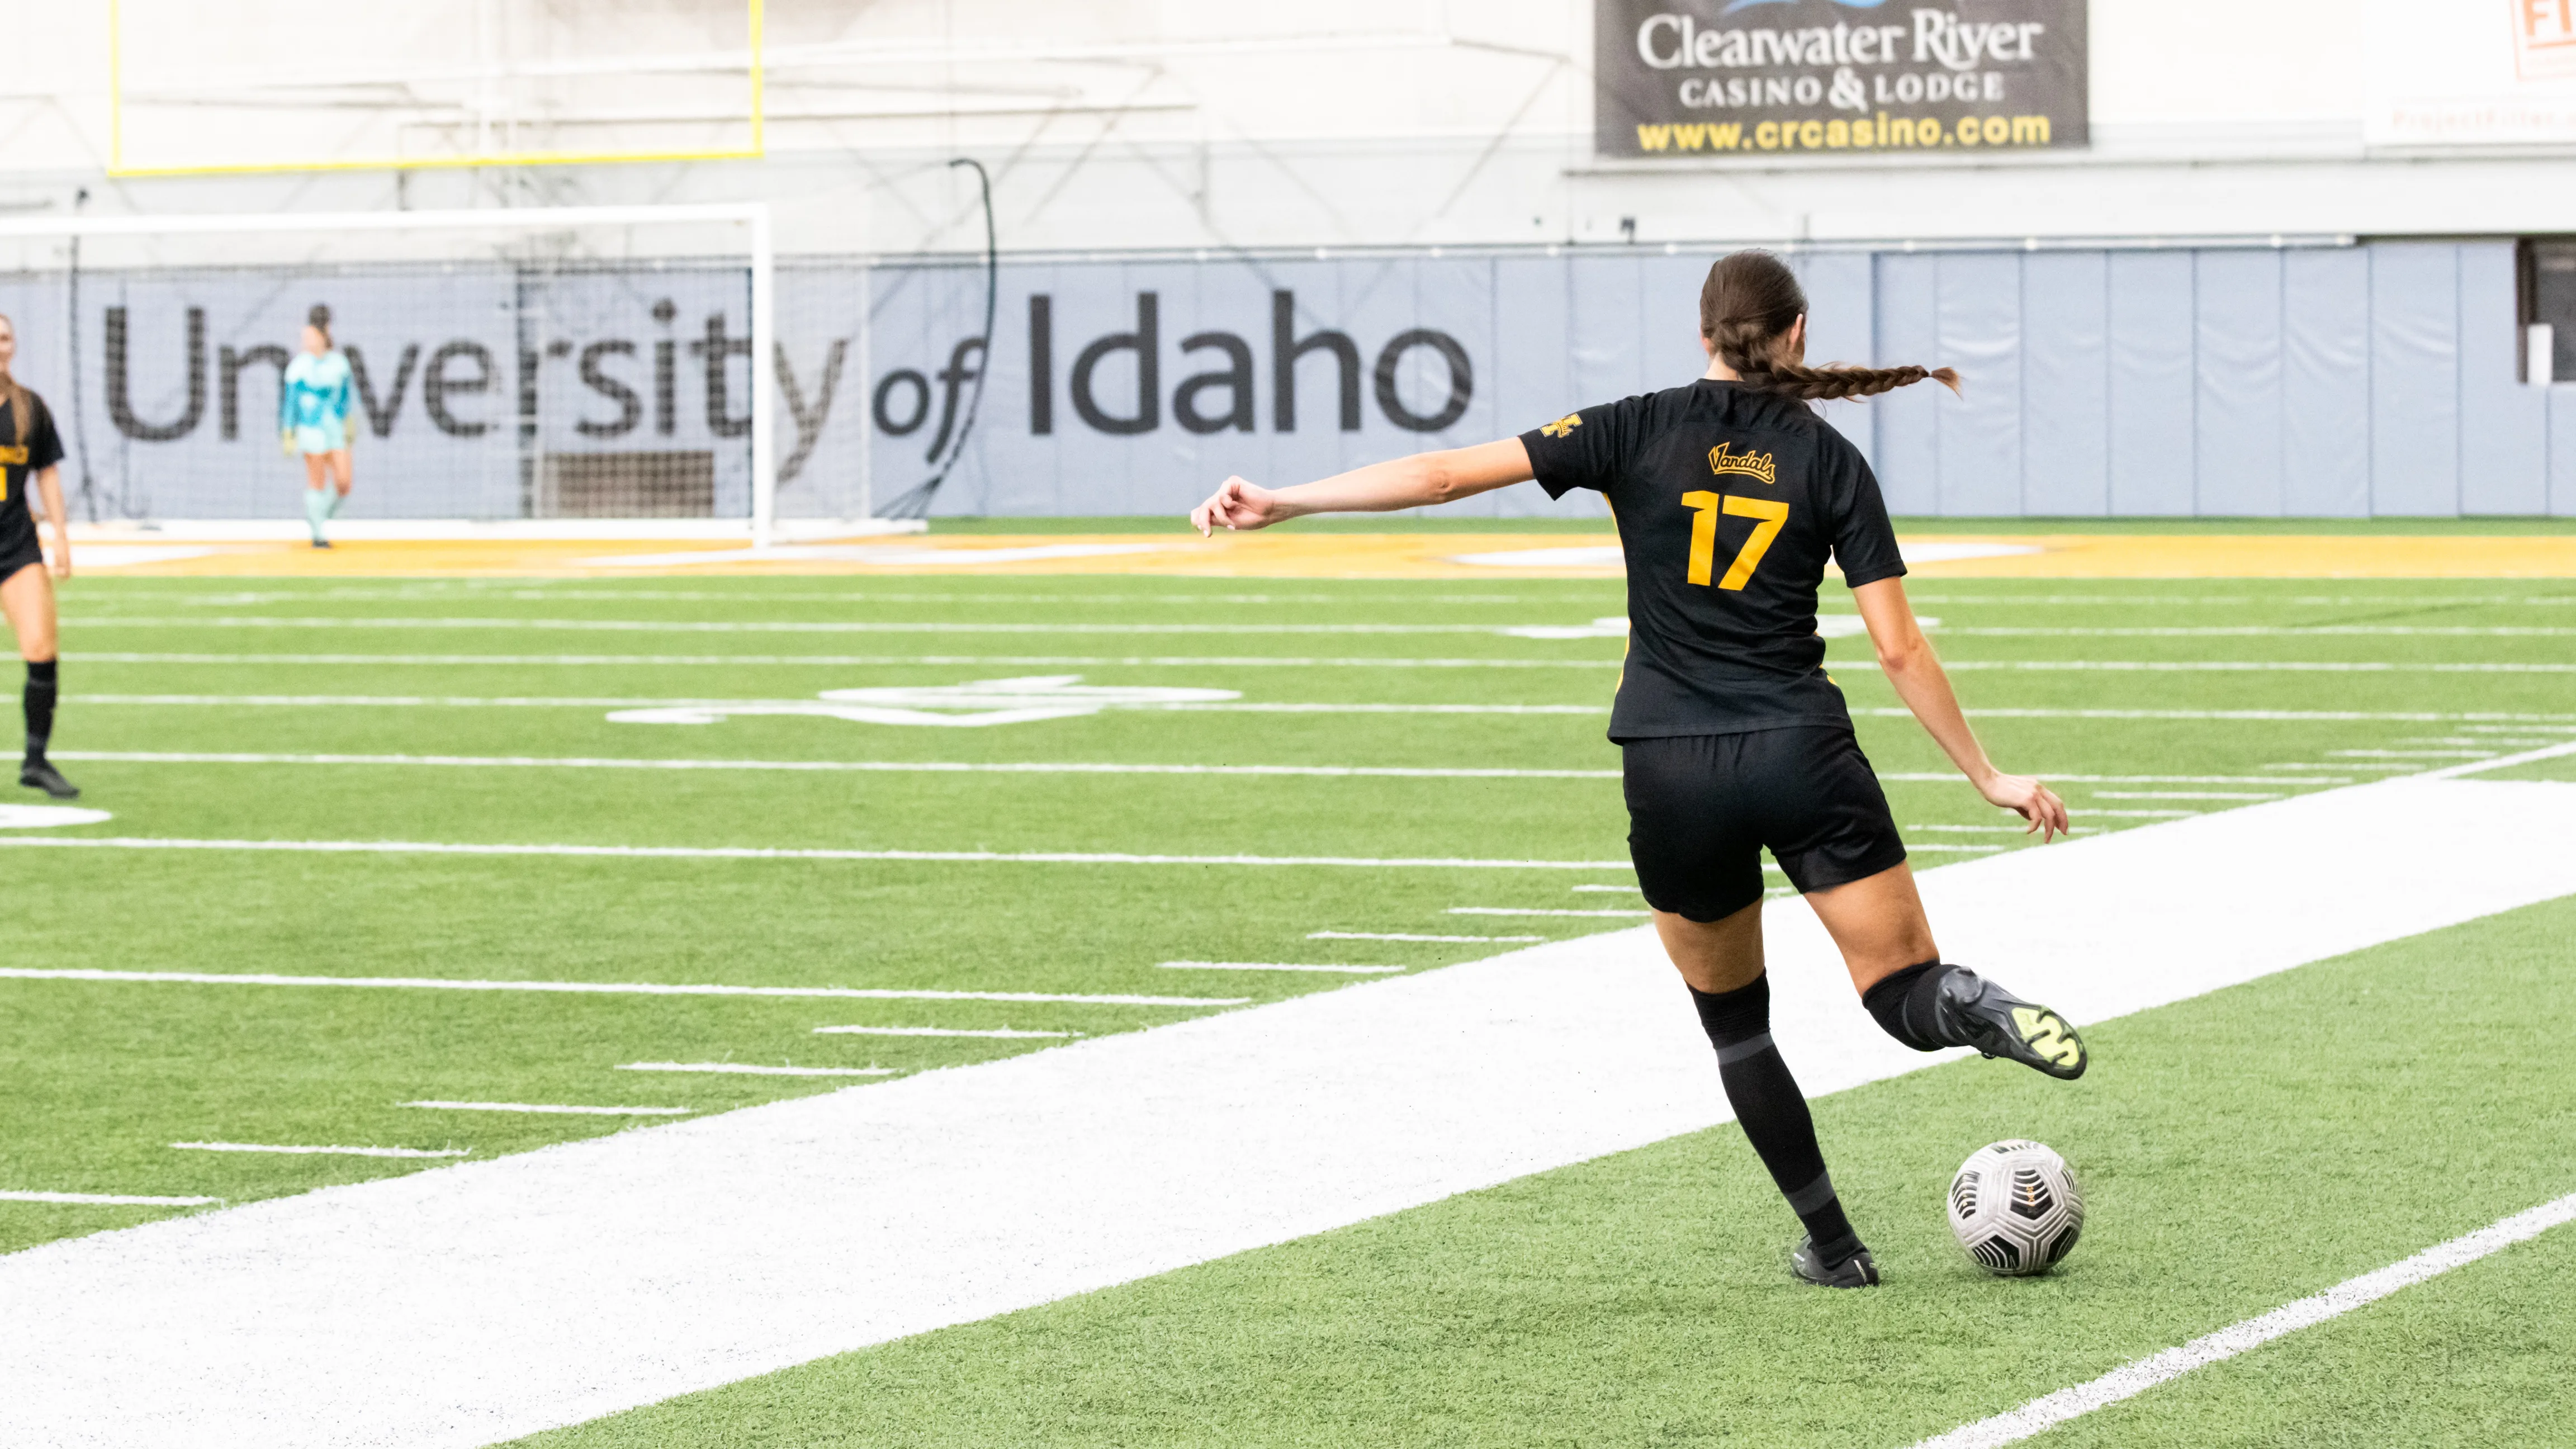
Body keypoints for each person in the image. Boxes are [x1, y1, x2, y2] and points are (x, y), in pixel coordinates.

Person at [1190, 249, 2086, 1289]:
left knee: (1736, 1027)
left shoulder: (1629, 426)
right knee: (1899, 986)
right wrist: (1986, 776)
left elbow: (1439, 475)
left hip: (1670, 767)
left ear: (1701, 333)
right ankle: (1971, 1007)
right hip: (1801, 751)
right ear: (1796, 334)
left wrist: (1286, 500)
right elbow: (1897, 648)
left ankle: (1835, 1247)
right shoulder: (1829, 459)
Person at [0, 312, 77, 799]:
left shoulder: (30, 408)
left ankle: (35, 760)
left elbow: (46, 472)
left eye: (4, 337)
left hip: (16, 545)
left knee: (41, 650)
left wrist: (62, 538)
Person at [281, 304, 354, 548]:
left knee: (344, 481)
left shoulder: (338, 364)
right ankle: (317, 532)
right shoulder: (299, 367)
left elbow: (345, 397)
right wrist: (288, 430)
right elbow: (290, 403)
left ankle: (321, 514)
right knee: (317, 479)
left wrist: (349, 422)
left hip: (333, 427)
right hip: (311, 429)